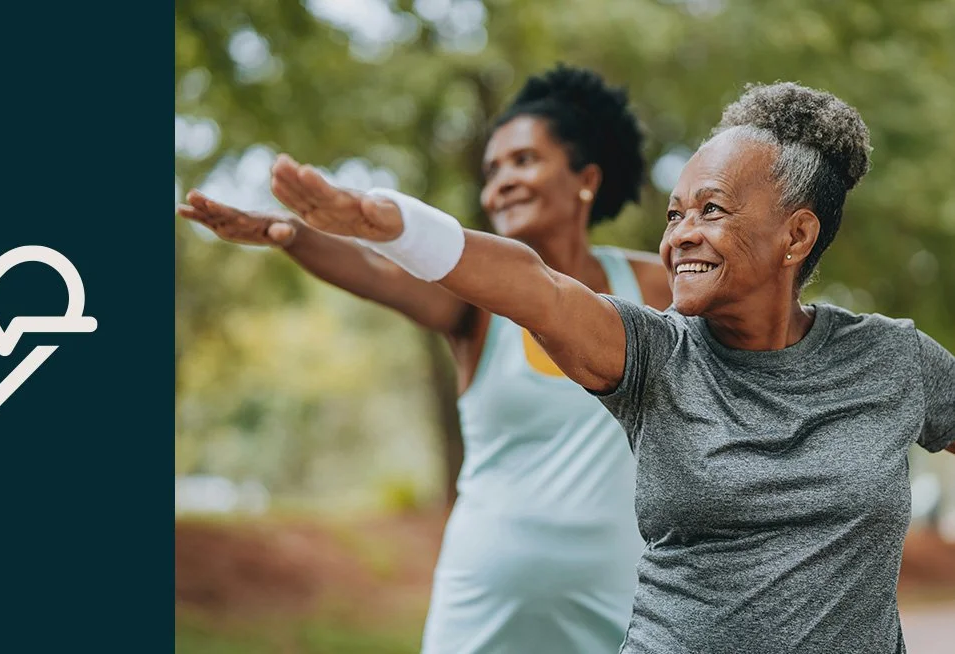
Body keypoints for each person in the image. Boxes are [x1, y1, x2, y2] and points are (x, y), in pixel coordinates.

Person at [264, 81, 955, 653]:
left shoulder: (892, 360)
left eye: (710, 211)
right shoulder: (653, 355)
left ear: (796, 235)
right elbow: (536, 287)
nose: (680, 233)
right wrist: (394, 225)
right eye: (675, 213)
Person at [180, 65, 671, 653]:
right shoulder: (478, 307)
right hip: (485, 604)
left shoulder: (653, 287)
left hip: (622, 602)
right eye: (492, 171)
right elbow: (376, 271)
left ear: (585, 178)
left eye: (523, 161)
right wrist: (295, 233)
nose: (501, 184)